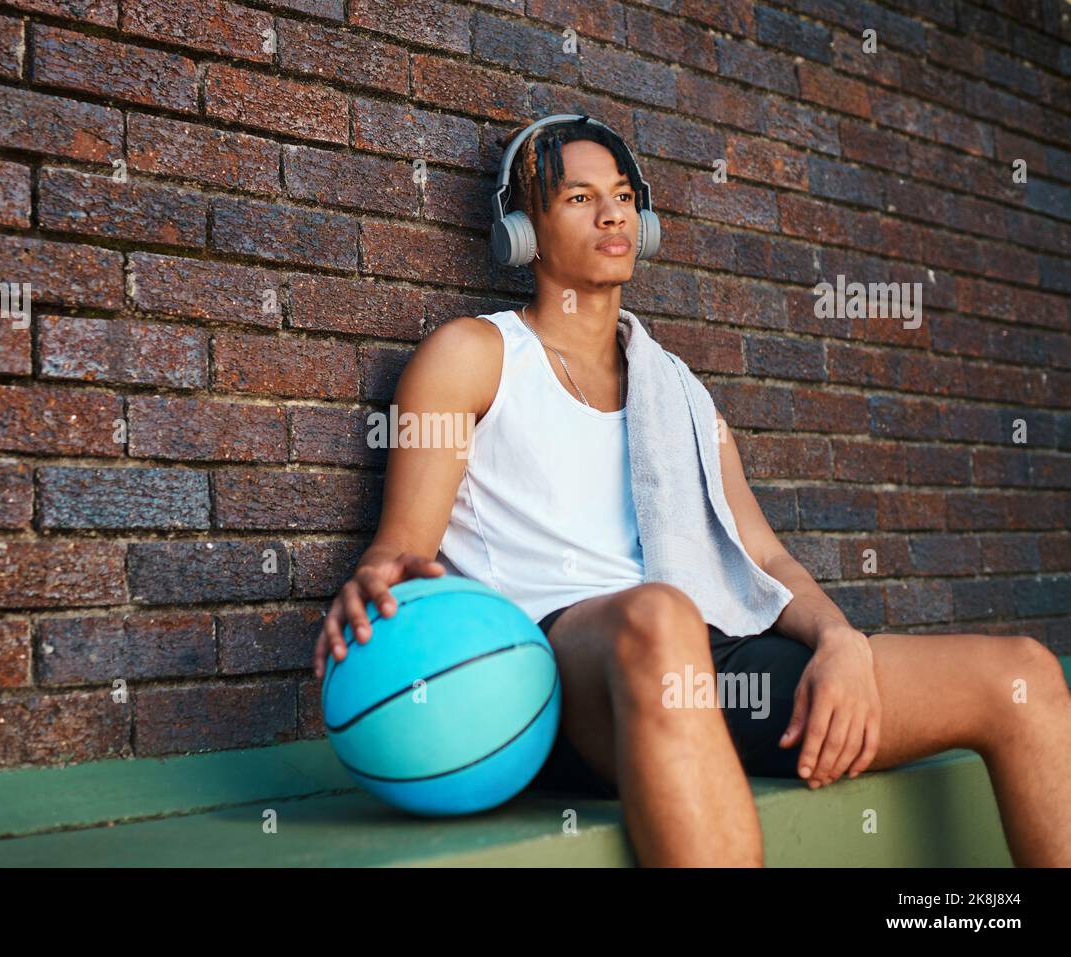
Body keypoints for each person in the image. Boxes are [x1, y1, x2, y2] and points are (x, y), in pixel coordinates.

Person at [312, 116, 1071, 867]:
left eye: (621, 196)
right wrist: (382, 571)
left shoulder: (676, 390)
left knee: (1023, 675)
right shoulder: (473, 355)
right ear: (523, 230)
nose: (611, 212)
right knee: (660, 614)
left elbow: (764, 552)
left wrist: (842, 642)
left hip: (706, 659)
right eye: (578, 198)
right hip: (555, 669)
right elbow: (404, 546)